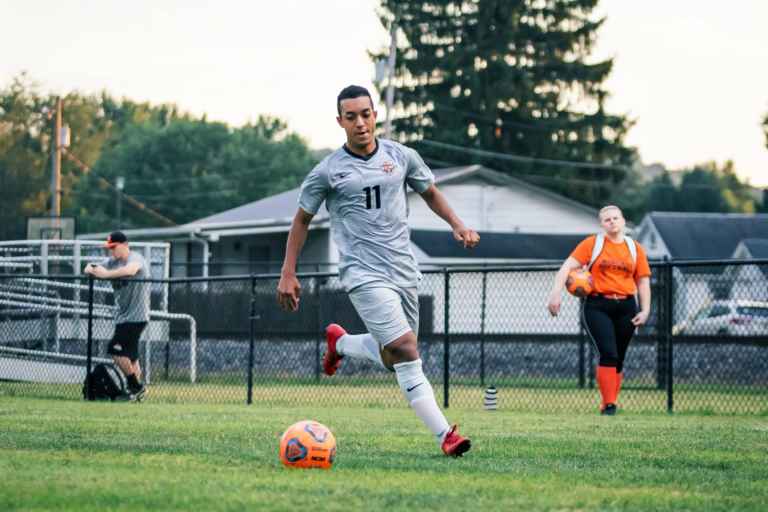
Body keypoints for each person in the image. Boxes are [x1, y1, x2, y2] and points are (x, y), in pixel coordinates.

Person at [277, 85, 480, 457]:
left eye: (366, 114)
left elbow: (430, 191)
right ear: (340, 121)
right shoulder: (327, 171)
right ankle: (444, 436)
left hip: (403, 270)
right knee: (406, 348)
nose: (360, 122)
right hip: (362, 272)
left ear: (375, 115)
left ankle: (342, 343)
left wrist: (457, 224)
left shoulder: (401, 156)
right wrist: (288, 272)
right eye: (351, 116)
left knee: (393, 357)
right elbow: (301, 220)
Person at [547, 205, 651, 415]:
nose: (612, 222)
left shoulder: (635, 248)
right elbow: (566, 267)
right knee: (608, 354)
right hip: (598, 305)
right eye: (607, 220)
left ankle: (608, 401)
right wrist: (555, 293)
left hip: (627, 306)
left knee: (619, 358)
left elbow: (643, 282)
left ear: (623, 221)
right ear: (601, 224)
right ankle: (610, 405)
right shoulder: (592, 244)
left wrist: (646, 309)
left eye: (615, 218)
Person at [84, 231, 151, 401]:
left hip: (136, 317)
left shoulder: (135, 258)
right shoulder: (111, 262)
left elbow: (130, 270)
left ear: (125, 245)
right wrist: (94, 269)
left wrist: (105, 274)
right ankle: (137, 395)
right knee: (132, 357)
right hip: (122, 317)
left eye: (114, 247)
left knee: (115, 349)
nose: (111, 251)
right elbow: (88, 267)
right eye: (109, 248)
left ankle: (135, 386)